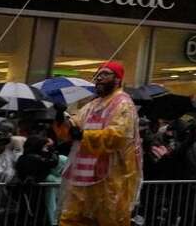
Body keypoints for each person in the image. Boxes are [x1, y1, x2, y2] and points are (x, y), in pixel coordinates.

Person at [58, 61, 138, 226]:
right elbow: (74, 125)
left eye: (105, 74)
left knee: (110, 219)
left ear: (117, 79)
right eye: (98, 74)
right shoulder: (93, 105)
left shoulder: (122, 103)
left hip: (109, 177)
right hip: (82, 174)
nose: (99, 78)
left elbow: (119, 136)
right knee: (73, 218)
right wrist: (60, 119)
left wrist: (84, 135)